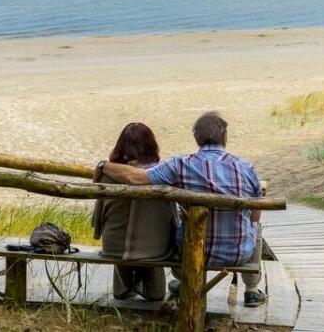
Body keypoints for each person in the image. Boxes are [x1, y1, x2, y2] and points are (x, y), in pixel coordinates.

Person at [94, 111, 266, 308]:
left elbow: (136, 178)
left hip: (190, 253)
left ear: (196, 137)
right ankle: (251, 290)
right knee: (255, 225)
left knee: (180, 227)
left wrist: (103, 165)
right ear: (225, 137)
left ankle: (184, 280)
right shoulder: (246, 167)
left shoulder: (180, 165)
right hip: (238, 254)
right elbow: (255, 210)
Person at [91, 122, 176, 301]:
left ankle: (123, 289)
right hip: (155, 250)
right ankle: (152, 291)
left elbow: (97, 220)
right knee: (156, 292)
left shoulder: (106, 176)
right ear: (152, 145)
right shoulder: (162, 176)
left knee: (121, 246)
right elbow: (173, 219)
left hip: (113, 247)